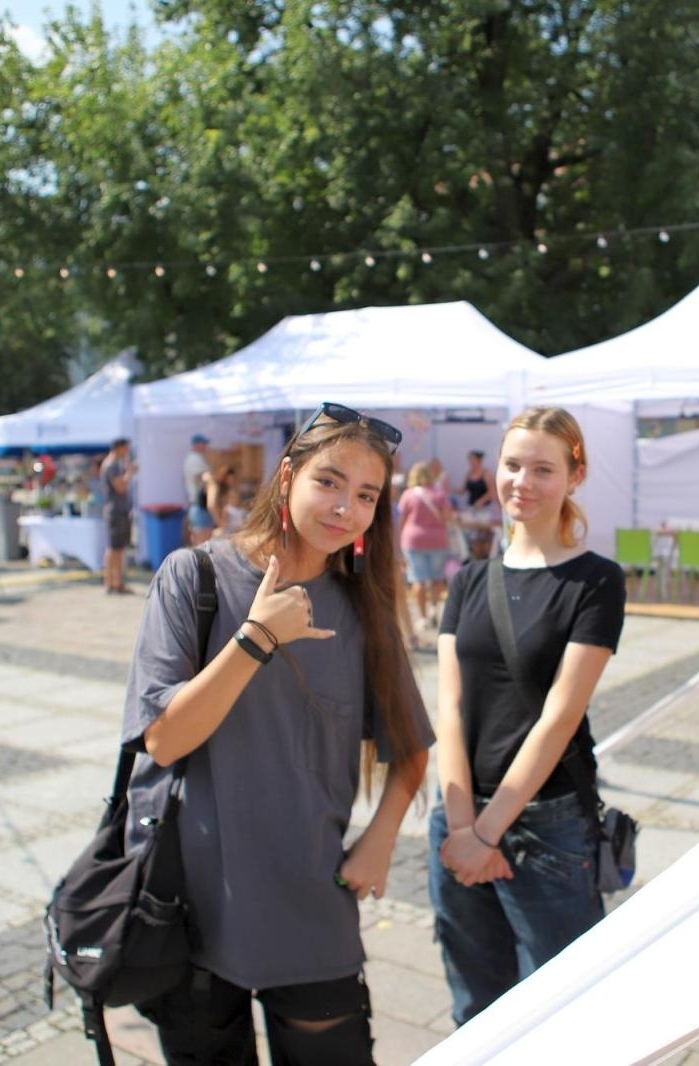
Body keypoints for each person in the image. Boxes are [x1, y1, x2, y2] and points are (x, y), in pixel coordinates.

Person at [124, 401, 431, 1064]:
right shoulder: (194, 578)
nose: (345, 506)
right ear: (287, 476)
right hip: (193, 910)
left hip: (311, 907)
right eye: (329, 481)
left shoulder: (361, 611)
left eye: (366, 494)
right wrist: (257, 637)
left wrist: (377, 844)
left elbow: (412, 752)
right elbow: (163, 740)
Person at [429, 406, 627, 1026]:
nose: (522, 481)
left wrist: (486, 833)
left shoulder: (594, 582)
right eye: (512, 465)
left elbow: (558, 719)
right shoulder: (469, 579)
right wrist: (462, 827)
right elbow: (450, 705)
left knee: (559, 1012)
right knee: (475, 1007)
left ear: (575, 475)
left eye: (543, 468)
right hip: (458, 818)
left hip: (547, 827)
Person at [399, 461, 452, 632]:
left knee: (418, 579)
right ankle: (434, 609)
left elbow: (401, 520)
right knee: (437, 578)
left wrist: (399, 542)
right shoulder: (440, 494)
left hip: (413, 540)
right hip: (437, 539)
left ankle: (422, 618)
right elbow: (447, 518)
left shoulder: (408, 495)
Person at [102, 438, 136, 595]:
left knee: (118, 548)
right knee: (114, 548)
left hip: (119, 511)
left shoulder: (114, 465)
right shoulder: (111, 465)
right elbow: (120, 487)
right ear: (119, 448)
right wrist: (129, 473)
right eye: (125, 449)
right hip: (115, 511)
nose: (127, 452)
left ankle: (116, 582)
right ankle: (110, 582)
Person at [459, 450, 499, 561]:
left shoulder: (486, 473)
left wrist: (481, 501)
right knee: (473, 536)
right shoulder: (469, 473)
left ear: (479, 460)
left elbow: (492, 492)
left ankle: (485, 560)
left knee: (484, 535)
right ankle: (476, 560)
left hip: (484, 510)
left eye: (473, 460)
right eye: (470, 460)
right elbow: (463, 490)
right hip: (472, 509)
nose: (471, 462)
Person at [184, 433, 215, 547]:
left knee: (203, 544)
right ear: (197, 444)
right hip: (199, 506)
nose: (206, 446)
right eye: (203, 443)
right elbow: (205, 478)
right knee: (203, 545)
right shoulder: (194, 459)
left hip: (200, 506)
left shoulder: (197, 458)